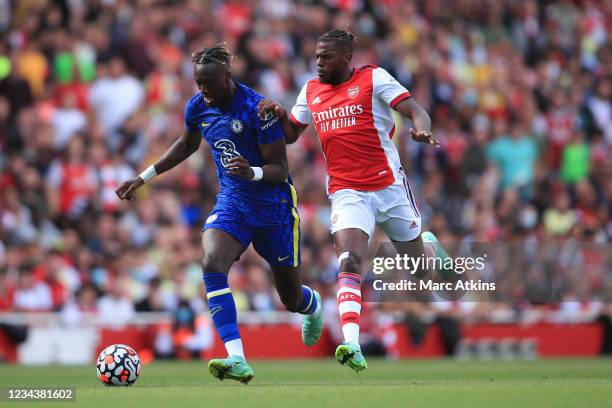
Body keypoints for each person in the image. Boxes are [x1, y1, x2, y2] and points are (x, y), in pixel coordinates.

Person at [116, 45, 322, 384]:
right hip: (234, 203)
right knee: (212, 263)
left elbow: (279, 168)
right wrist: (143, 177)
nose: (203, 90)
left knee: (290, 298)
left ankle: (311, 305)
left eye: (209, 83)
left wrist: (251, 172)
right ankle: (236, 358)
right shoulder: (198, 106)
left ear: (227, 76)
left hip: (275, 210)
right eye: (198, 83)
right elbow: (186, 144)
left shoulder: (260, 110)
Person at [258, 29, 451, 373]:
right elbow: (291, 134)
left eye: (326, 57)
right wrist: (278, 115)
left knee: (421, 275)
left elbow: (415, 109)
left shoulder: (373, 79)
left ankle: (430, 247)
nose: (318, 62)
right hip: (348, 192)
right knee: (349, 262)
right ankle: (351, 343)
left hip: (389, 189)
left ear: (346, 59)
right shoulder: (311, 90)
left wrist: (421, 129)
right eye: (316, 56)